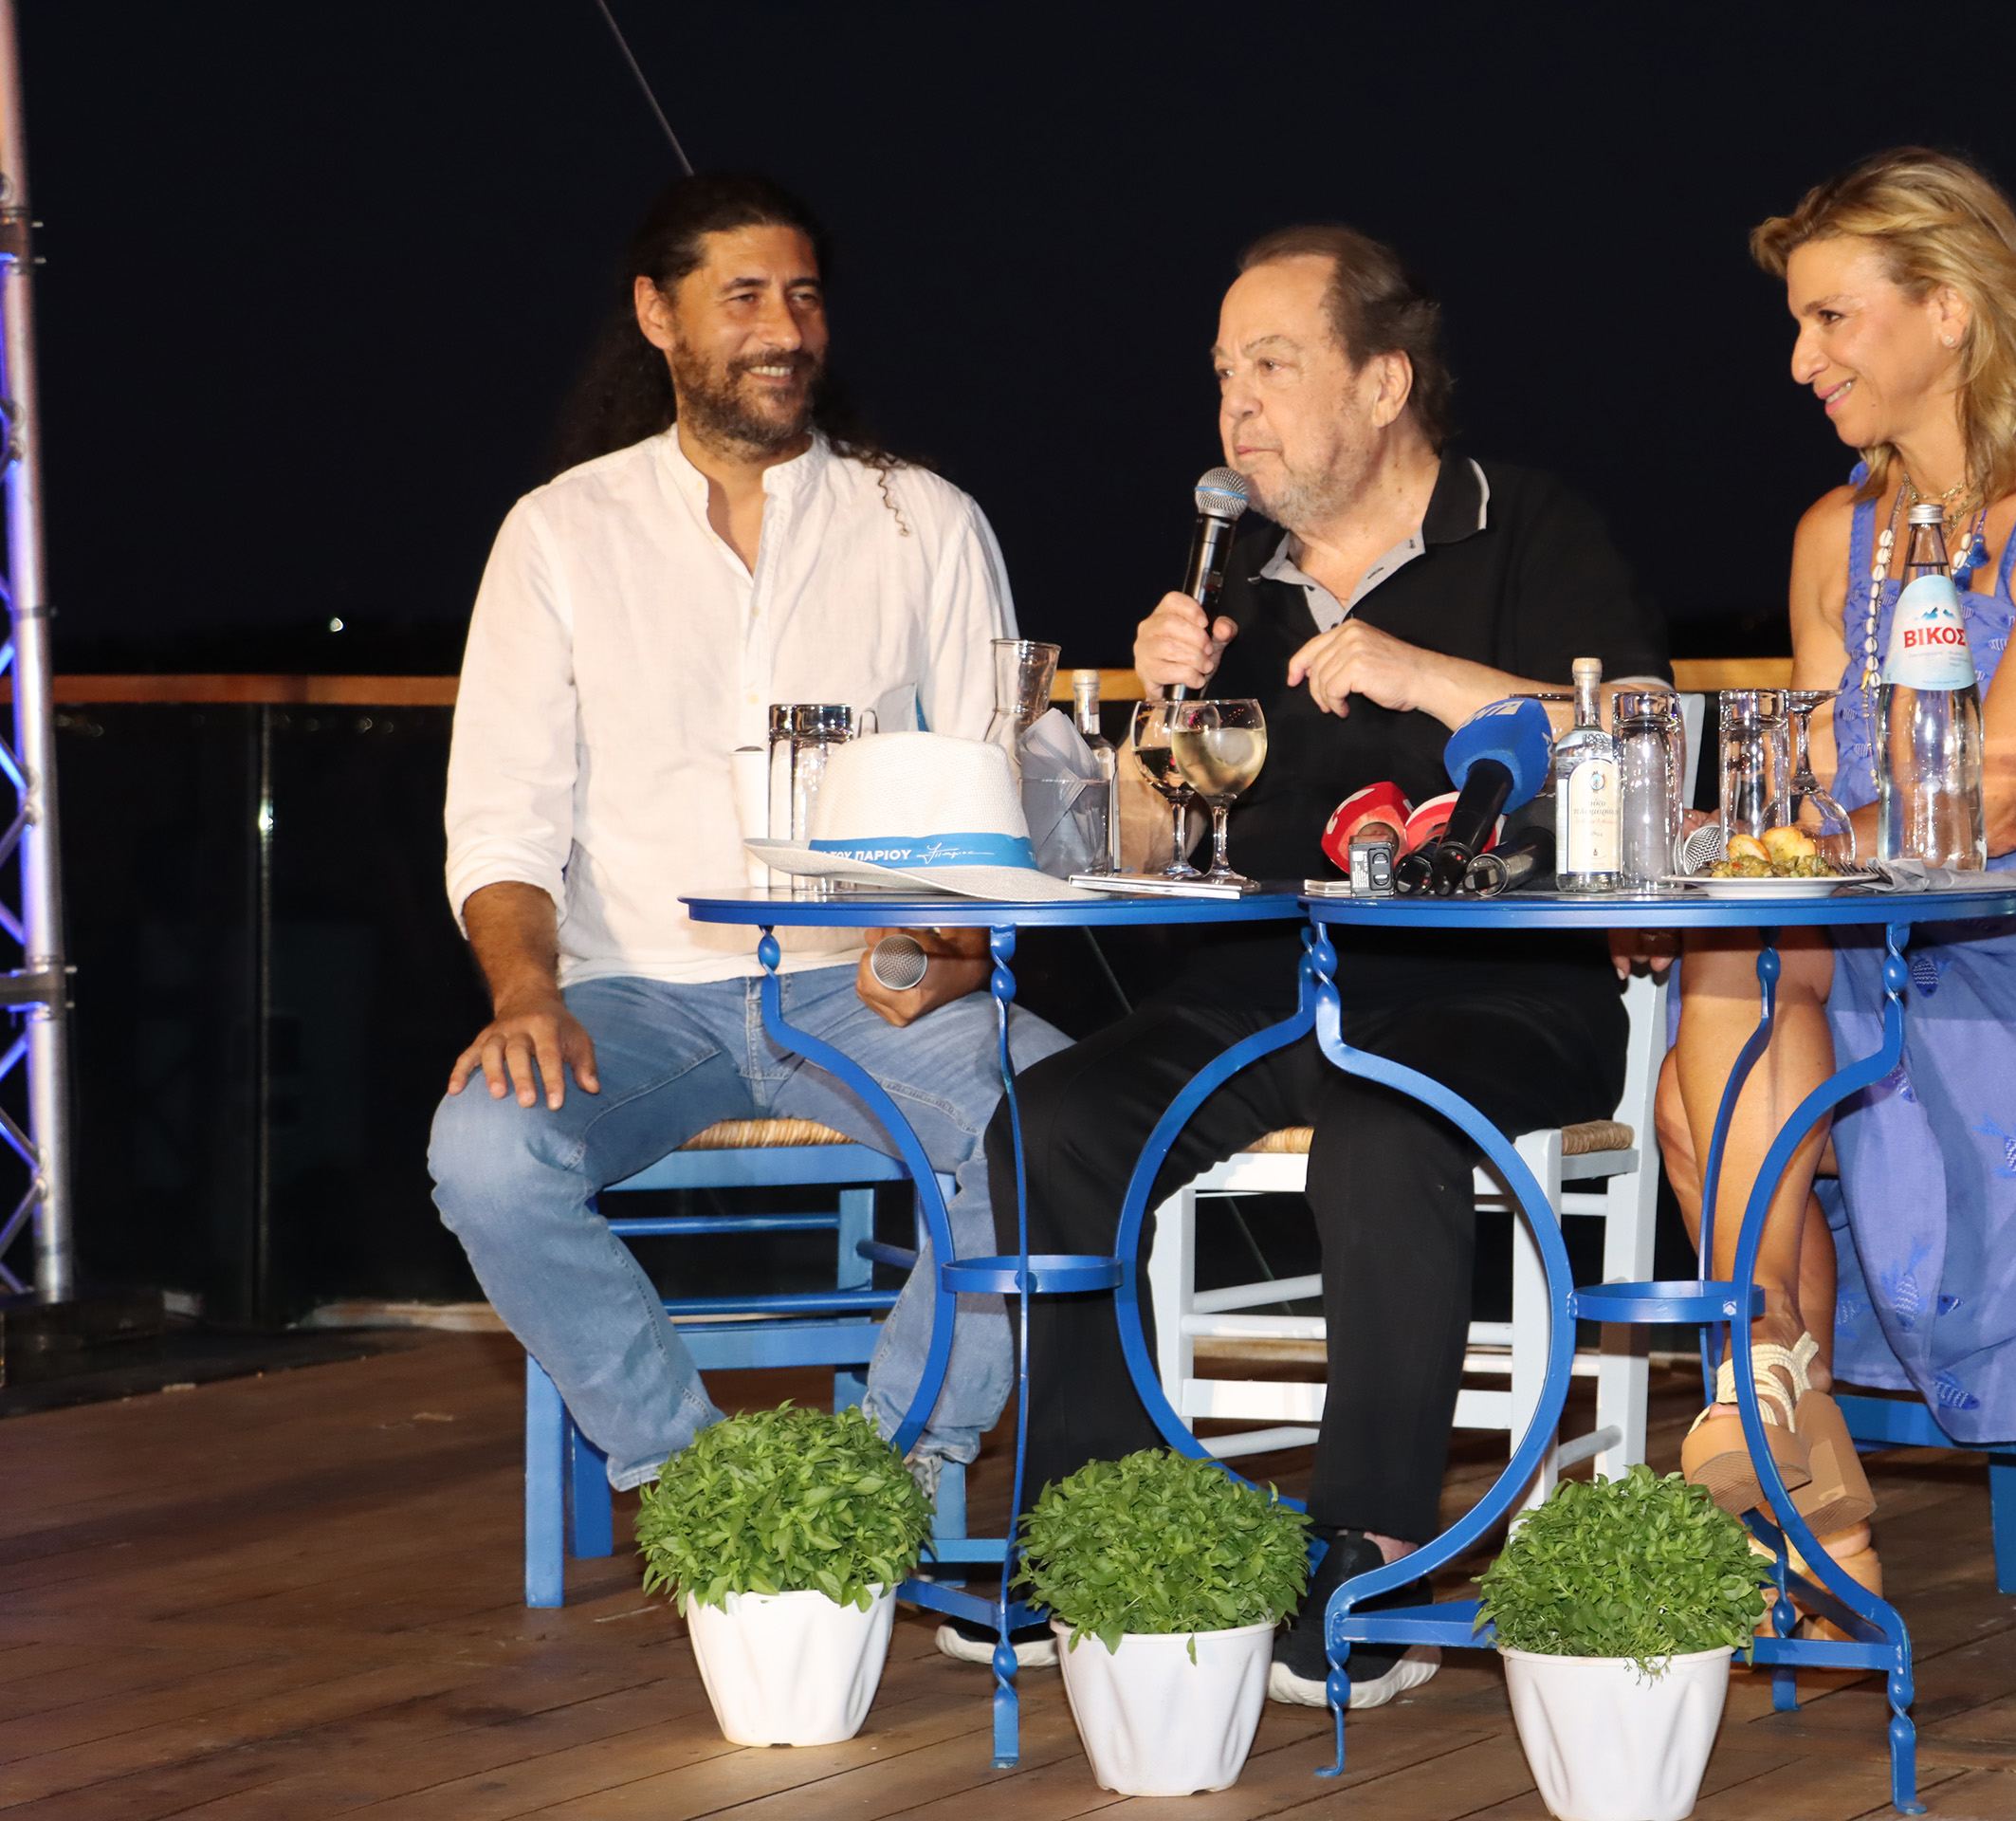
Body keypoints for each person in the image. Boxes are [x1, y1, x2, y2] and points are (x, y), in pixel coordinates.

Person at [996, 225, 1672, 1706]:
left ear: (1382, 384)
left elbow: (1643, 745)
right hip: (1274, 984)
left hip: (1508, 986)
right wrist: (1158, 729)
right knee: (1051, 1121)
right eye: (1222, 373)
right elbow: (1151, 856)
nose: (1234, 404)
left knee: (1384, 1121)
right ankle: (1103, 1536)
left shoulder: (1527, 523)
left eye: (1272, 364)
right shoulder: (1228, 577)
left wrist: (1419, 675)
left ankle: (1373, 1547)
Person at [430, 175, 1066, 1648]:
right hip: (635, 995)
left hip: (869, 978)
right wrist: (526, 997)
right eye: (745, 297)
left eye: (805, 296)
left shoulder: (920, 519)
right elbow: (503, 815)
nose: (785, 329)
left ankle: (885, 1483)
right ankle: (700, 1485)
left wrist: (954, 940)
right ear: (657, 316)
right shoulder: (561, 534)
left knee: (1059, 1129)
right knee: (487, 1156)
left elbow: (1002, 766)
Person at [1644, 149, 2016, 1609]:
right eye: (1798, 325)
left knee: (1702, 1066)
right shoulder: (1833, 538)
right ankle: (1787, 1422)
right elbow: (1812, 787)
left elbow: (1996, 800)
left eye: (1832, 319)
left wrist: (1763, 868)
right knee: (1730, 964)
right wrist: (1717, 866)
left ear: (1952, 310)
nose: (1802, 362)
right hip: (1870, 948)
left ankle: (1773, 1426)